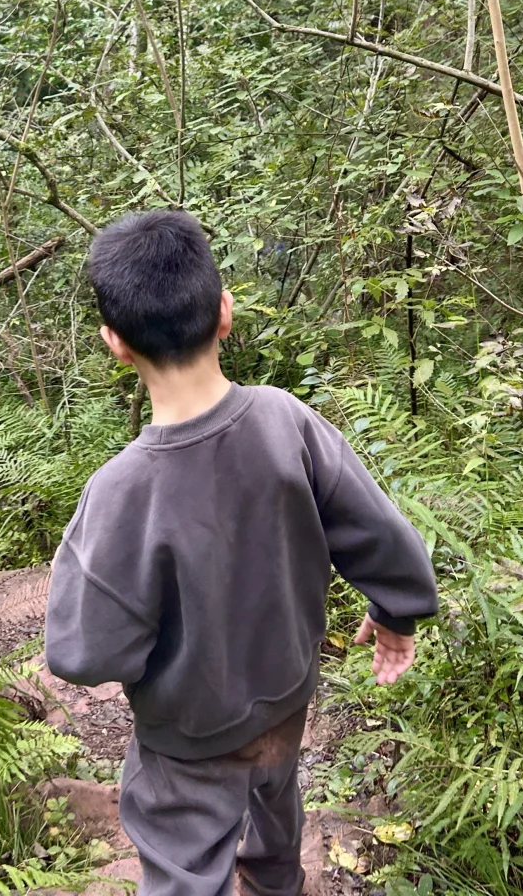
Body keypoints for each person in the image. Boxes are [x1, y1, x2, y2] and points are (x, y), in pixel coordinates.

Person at [45, 210, 438, 896]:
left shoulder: (118, 491)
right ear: (225, 312)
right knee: (274, 817)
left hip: (188, 738)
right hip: (286, 698)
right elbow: (374, 528)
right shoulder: (286, 419)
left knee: (184, 867)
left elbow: (82, 653)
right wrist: (397, 611)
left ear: (116, 344)